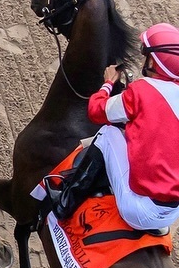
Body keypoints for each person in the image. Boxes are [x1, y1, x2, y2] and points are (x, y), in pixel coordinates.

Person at [51, 24, 179, 231]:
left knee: (108, 133)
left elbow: (97, 111)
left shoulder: (142, 90)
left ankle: (66, 201)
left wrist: (108, 84)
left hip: (138, 211)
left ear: (153, 61)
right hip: (171, 214)